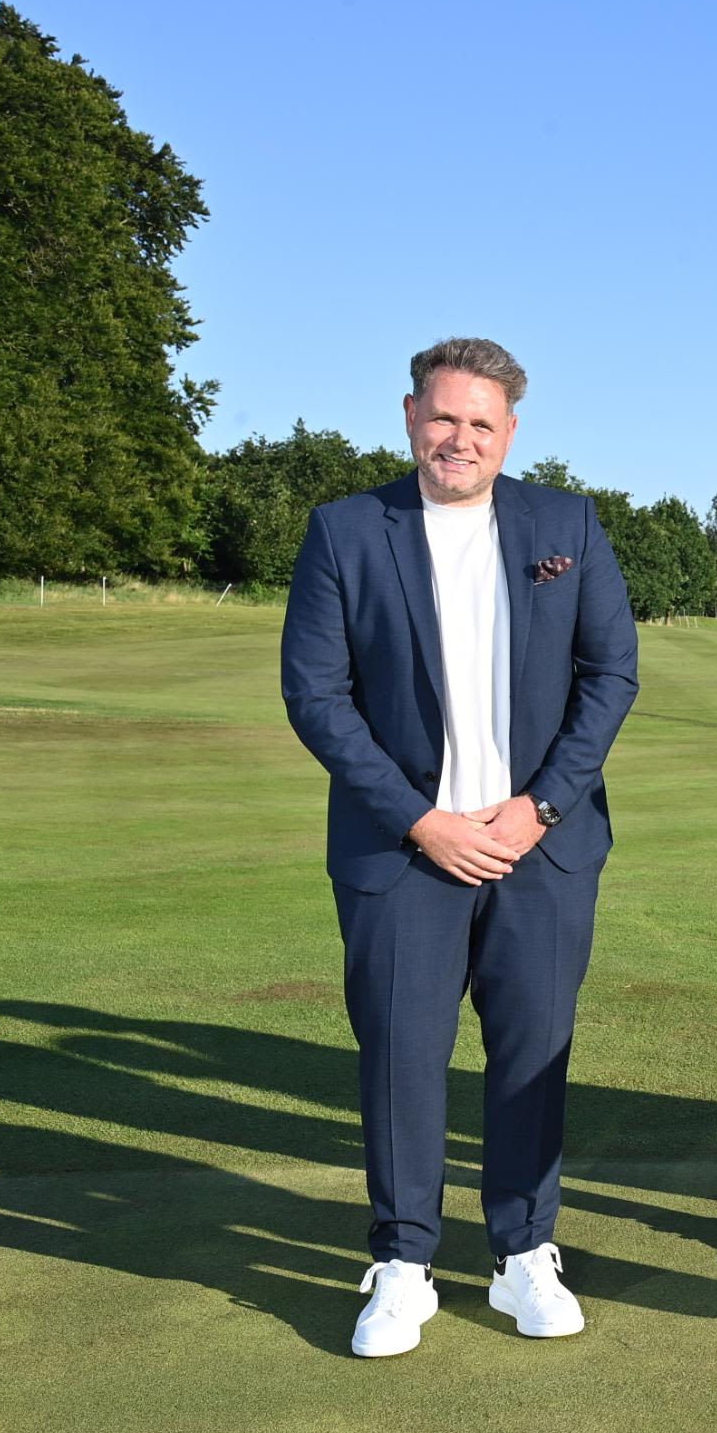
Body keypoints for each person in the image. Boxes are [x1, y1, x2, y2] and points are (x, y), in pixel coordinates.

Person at [282, 337, 640, 1357]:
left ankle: (524, 1251)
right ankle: (403, 1264)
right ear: (410, 416)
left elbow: (610, 674)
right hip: (405, 850)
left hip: (539, 848)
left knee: (531, 1053)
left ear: (510, 432)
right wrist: (421, 819)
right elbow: (317, 694)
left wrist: (540, 807)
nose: (460, 438)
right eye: (443, 417)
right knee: (402, 1057)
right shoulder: (347, 529)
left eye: (481, 422)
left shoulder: (564, 523)